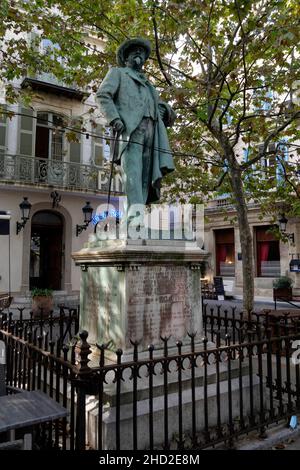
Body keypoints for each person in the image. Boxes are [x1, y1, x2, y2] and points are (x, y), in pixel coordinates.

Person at [96, 38, 176, 219]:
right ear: (126, 57)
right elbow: (103, 95)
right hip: (130, 130)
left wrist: (164, 109)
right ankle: (134, 218)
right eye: (135, 51)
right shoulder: (118, 73)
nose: (139, 54)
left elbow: (156, 105)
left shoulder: (148, 84)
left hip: (152, 131)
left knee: (146, 176)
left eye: (142, 52)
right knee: (132, 172)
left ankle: (138, 215)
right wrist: (114, 118)